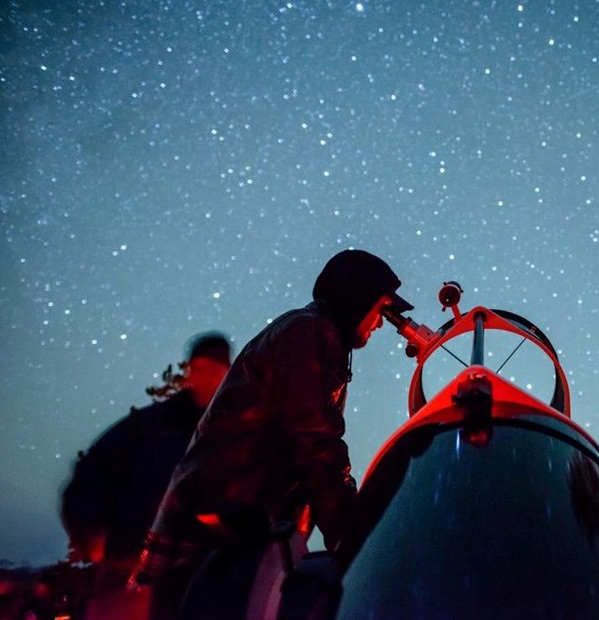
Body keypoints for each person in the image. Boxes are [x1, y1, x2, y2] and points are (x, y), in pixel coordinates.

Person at [130, 249, 411, 618]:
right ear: (357, 298)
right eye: (382, 307)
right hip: (216, 530)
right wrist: (353, 538)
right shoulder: (309, 332)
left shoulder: (315, 336)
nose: (380, 323)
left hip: (231, 527)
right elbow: (316, 443)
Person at [60, 332, 232, 620]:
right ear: (189, 371)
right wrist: (91, 530)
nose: (206, 377)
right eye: (199, 368)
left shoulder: (231, 434)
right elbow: (93, 471)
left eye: (215, 370)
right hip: (126, 566)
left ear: (227, 374)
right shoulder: (149, 427)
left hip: (202, 571)